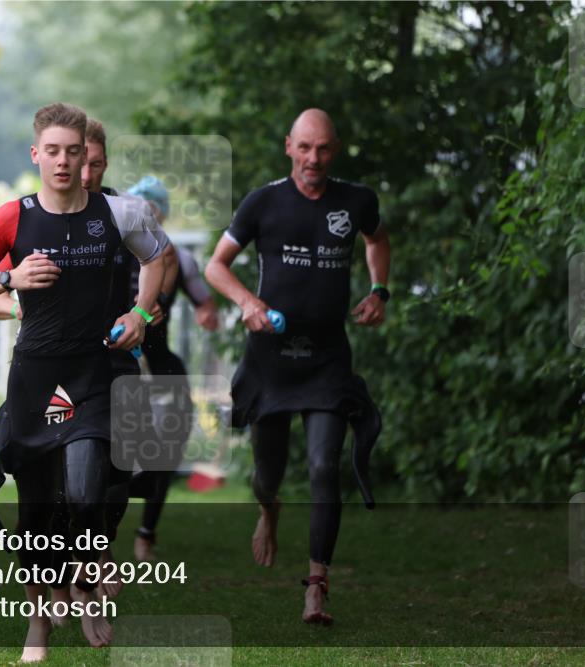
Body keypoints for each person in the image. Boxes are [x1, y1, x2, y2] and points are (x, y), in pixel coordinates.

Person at [0, 103, 168, 661]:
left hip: (91, 376)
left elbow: (158, 256)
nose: (64, 162)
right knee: (32, 519)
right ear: (36, 155)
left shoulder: (118, 214)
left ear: (86, 155)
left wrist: (140, 313)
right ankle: (39, 621)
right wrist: (11, 278)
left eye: (74, 152)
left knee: (85, 495)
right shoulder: (12, 218)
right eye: (53, 151)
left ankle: (87, 585)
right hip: (34, 379)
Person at [204, 108, 390, 625]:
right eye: (305, 147)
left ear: (336, 150)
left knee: (323, 467)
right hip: (271, 361)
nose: (314, 158)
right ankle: (269, 509)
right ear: (289, 146)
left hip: (328, 359)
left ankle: (316, 586)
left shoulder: (356, 201)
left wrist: (380, 290)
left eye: (323, 148)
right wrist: (247, 302)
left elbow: (377, 239)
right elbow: (216, 265)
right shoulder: (263, 202)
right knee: (268, 476)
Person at [120, 175, 219, 562]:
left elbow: (205, 302)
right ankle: (97, 534)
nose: (145, 214)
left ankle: (146, 532)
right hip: (117, 364)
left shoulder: (178, 257)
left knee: (165, 452)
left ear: (161, 214)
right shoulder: (113, 249)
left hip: (160, 365)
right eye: (139, 207)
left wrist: (208, 313)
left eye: (152, 209)